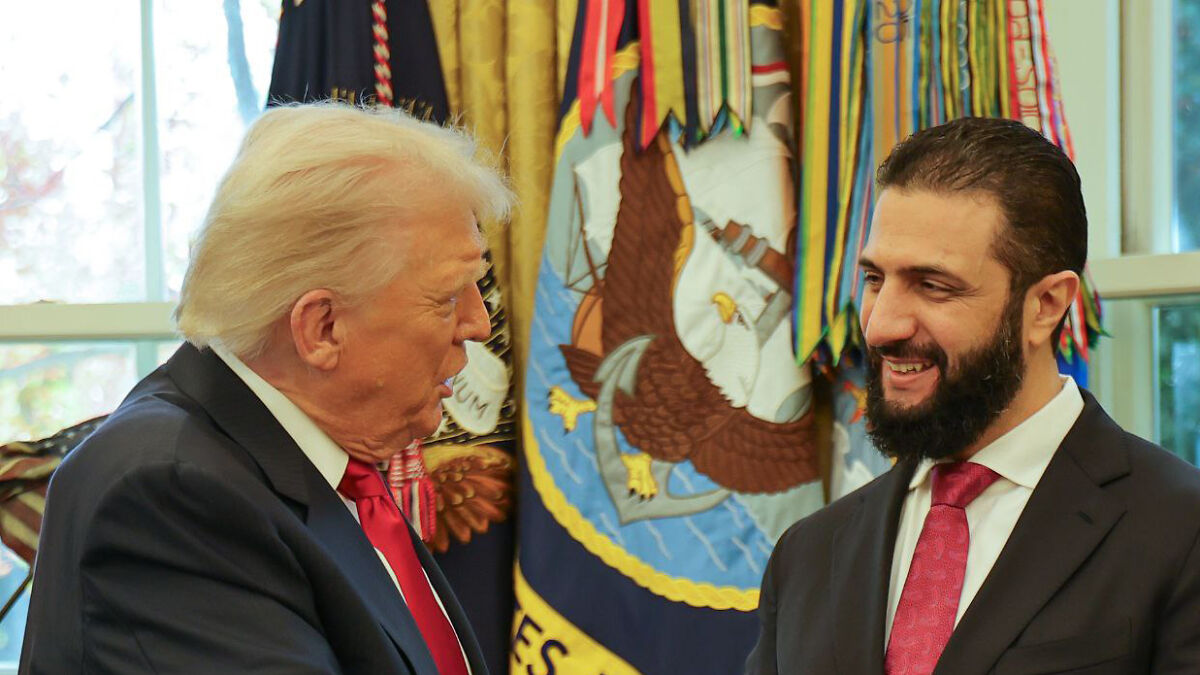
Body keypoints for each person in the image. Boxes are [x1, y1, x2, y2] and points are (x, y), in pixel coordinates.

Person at [20, 102, 513, 674]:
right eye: (448, 297)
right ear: (321, 328)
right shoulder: (173, 495)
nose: (478, 325)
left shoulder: (310, 457)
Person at [746, 117, 1200, 674]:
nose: (882, 324)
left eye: (933, 285)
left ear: (1047, 305)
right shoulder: (808, 553)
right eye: (873, 279)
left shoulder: (1181, 532)